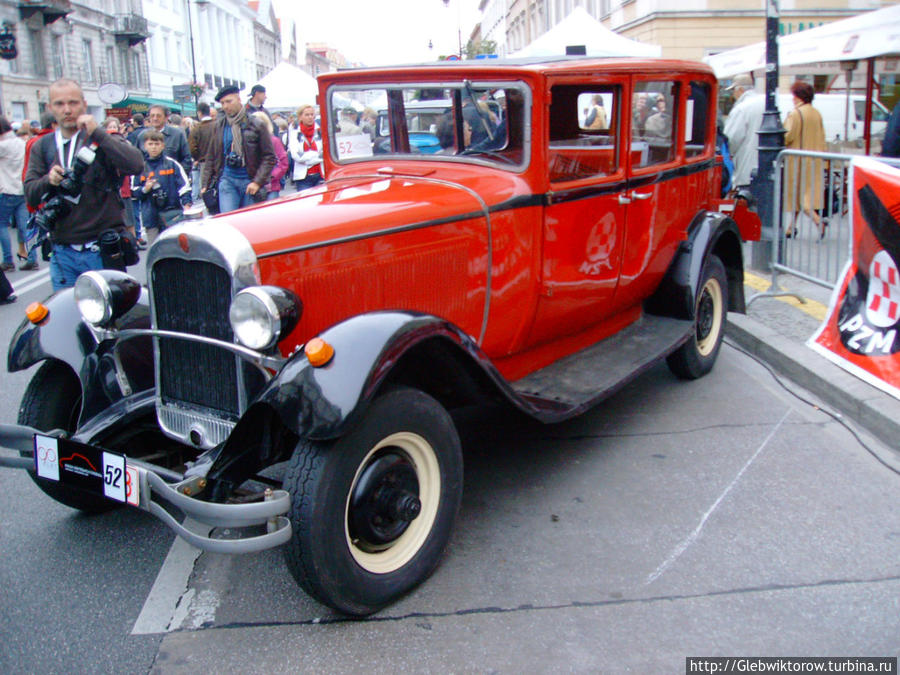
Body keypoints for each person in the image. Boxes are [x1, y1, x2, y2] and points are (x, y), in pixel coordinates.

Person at [24, 78, 144, 290]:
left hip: (101, 250)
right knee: (68, 319)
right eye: (60, 104)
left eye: (73, 103)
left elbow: (135, 165)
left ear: (84, 105)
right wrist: (48, 181)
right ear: (50, 108)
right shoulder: (43, 146)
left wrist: (98, 133)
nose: (67, 110)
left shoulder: (100, 140)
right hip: (63, 252)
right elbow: (30, 194)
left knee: (111, 320)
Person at [201, 85, 275, 214]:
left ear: (239, 99)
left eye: (229, 101)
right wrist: (204, 184)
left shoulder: (257, 124)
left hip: (249, 181)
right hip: (227, 180)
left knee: (248, 224)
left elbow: (269, 157)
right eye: (222, 103)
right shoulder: (219, 126)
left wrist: (257, 182)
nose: (225, 106)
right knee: (228, 221)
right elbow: (211, 156)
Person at [783, 80, 826, 239]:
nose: (792, 98)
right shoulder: (816, 113)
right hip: (814, 159)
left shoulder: (795, 113)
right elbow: (822, 137)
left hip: (797, 160)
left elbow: (788, 136)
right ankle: (791, 227)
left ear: (798, 96)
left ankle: (818, 222)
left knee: (801, 197)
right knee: (803, 194)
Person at [132, 130, 191, 244]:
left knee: (175, 248)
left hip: (172, 214)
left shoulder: (172, 164)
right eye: (150, 144)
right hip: (150, 217)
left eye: (157, 144)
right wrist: (145, 189)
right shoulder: (140, 167)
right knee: (155, 250)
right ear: (145, 146)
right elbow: (133, 192)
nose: (153, 147)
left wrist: (187, 204)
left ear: (163, 145)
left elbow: (184, 187)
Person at [0, 116, 38, 271]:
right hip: (22, 190)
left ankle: (8, 260)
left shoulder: (2, 146)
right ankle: (32, 258)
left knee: (1, 225)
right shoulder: (22, 143)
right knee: (24, 226)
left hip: (6, 190)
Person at [723, 73, 765, 190]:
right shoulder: (765, 102)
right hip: (765, 169)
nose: (733, 94)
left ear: (740, 89)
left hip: (746, 169)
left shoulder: (741, 108)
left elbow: (731, 139)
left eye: (734, 91)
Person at [138, 104, 192, 176]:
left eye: (158, 116)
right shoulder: (142, 136)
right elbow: (138, 160)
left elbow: (187, 159)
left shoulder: (177, 135)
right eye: (152, 116)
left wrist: (177, 177)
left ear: (166, 118)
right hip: (149, 180)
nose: (155, 118)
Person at [250, 111, 288, 200]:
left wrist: (271, 176)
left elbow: (283, 163)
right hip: (252, 185)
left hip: (271, 187)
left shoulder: (274, 141)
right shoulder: (249, 142)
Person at [288, 104, 323, 191]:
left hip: (321, 176)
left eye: (312, 114)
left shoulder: (320, 130)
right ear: (300, 117)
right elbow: (296, 155)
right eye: (307, 115)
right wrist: (315, 156)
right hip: (303, 178)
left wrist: (308, 159)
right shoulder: (295, 133)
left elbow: (324, 153)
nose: (310, 117)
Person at [189, 101, 215, 202]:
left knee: (206, 190)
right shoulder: (218, 125)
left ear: (199, 113)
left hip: (204, 162)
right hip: (220, 161)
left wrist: (198, 158)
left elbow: (192, 148)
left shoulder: (196, 129)